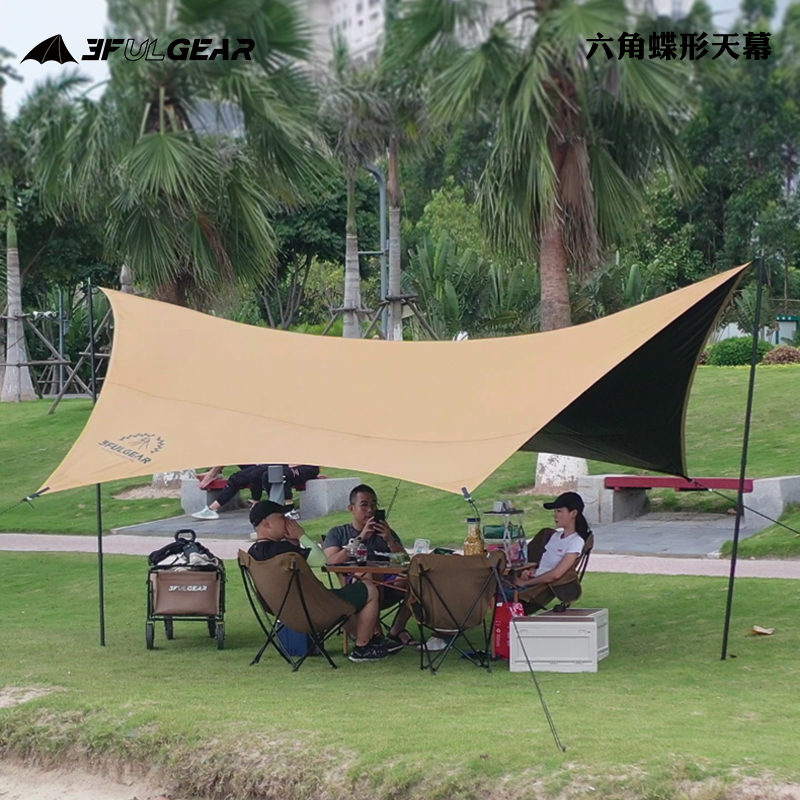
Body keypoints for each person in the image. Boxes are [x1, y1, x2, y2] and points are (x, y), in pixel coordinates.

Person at [247, 500, 400, 662]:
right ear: (267, 524)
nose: (288, 521)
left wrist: (293, 543)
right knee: (369, 588)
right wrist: (301, 535)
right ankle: (363, 647)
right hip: (314, 610)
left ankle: (373, 639)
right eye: (281, 517)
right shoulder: (282, 551)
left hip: (285, 613)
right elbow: (321, 559)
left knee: (348, 596)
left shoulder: (252, 554)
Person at [323, 484, 418, 647]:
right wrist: (361, 537)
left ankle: (397, 629)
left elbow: (404, 561)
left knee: (417, 580)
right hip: (357, 584)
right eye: (364, 505)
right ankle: (376, 635)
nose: (370, 510)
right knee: (368, 576)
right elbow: (332, 562)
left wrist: (389, 539)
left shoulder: (386, 532)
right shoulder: (338, 533)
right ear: (351, 508)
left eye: (374, 505)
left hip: (389, 584)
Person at [514, 491, 590, 613]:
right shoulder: (555, 536)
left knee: (494, 592)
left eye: (559, 511)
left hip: (536, 589)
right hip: (533, 582)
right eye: (555, 512)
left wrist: (526, 583)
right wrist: (530, 572)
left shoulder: (576, 541)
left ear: (573, 513)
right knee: (491, 585)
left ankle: (499, 629)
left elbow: (556, 574)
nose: (555, 516)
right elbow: (545, 566)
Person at [193, 464, 321, 520]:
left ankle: (285, 509)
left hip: (294, 465)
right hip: (273, 462)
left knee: (270, 475)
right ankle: (212, 508)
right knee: (246, 476)